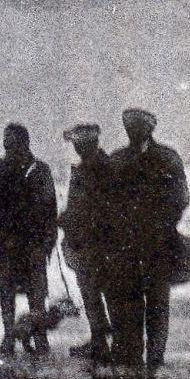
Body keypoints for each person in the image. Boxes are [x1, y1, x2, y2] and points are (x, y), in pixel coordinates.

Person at [106, 108, 190, 372]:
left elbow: (181, 198)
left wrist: (164, 225)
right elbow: (106, 203)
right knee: (129, 302)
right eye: (129, 126)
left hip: (158, 243)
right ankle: (132, 358)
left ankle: (155, 357)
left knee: (157, 302)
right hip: (125, 246)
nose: (133, 131)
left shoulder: (167, 158)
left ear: (149, 129)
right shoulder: (116, 161)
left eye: (138, 127)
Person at [0, 123, 59, 358]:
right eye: (7, 142)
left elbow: (50, 211)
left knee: (37, 296)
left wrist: (47, 244)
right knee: (7, 294)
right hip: (6, 246)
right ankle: (8, 335)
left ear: (25, 143)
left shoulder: (40, 170)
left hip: (33, 246)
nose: (10, 147)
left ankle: (39, 336)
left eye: (13, 142)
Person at [60, 123, 115, 362]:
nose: (76, 147)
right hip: (91, 242)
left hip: (96, 244)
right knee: (96, 294)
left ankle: (102, 343)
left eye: (78, 143)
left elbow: (95, 208)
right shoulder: (98, 167)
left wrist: (68, 220)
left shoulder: (97, 169)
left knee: (97, 293)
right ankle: (101, 341)